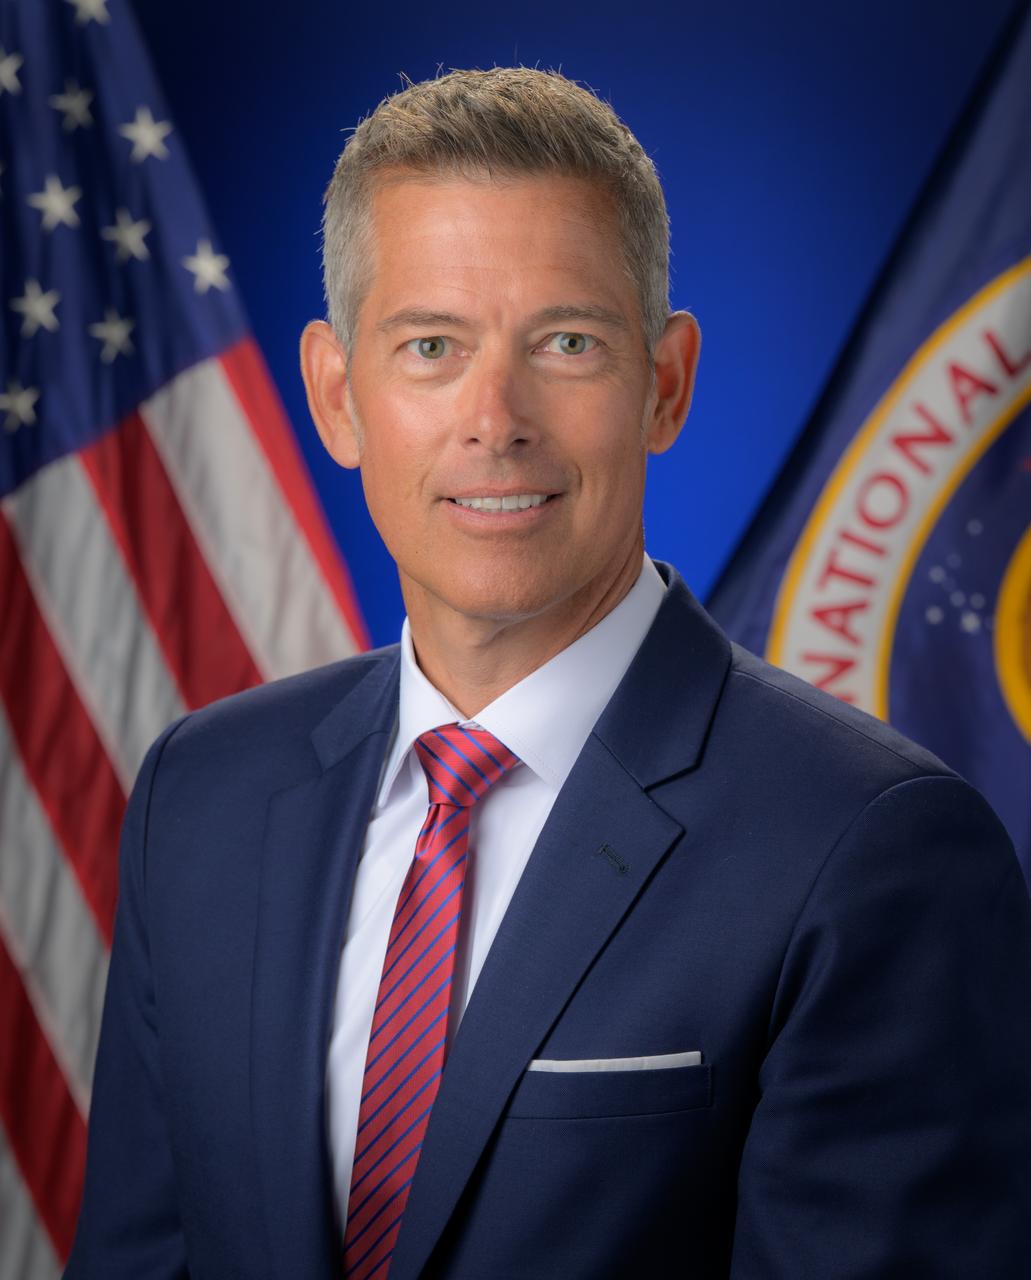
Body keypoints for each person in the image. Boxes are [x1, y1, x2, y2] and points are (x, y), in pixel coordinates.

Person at [67, 67, 1031, 1279]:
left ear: (663, 384)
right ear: (336, 395)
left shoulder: (870, 848)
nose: (494, 417)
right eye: (429, 346)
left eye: (565, 342)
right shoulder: (200, 795)